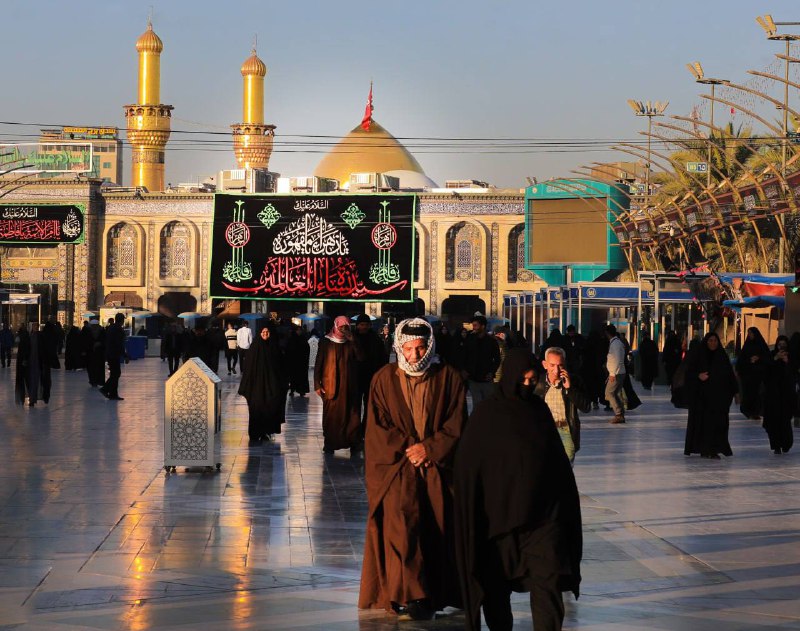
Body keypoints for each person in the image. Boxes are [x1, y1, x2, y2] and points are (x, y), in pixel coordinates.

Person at [454, 349, 582, 631]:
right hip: (498, 524)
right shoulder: (487, 415)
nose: (527, 386)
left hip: (542, 521)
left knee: (548, 584)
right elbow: (468, 465)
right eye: (522, 380)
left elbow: (557, 463)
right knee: (496, 591)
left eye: (532, 380)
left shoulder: (538, 411)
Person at [359, 318, 467, 621]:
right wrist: (411, 447)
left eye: (420, 349)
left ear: (430, 347)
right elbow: (377, 428)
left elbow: (457, 423)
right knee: (401, 531)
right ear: (399, 348)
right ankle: (410, 595)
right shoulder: (383, 379)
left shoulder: (449, 378)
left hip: (436, 468)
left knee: (436, 528)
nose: (415, 355)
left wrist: (430, 448)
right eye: (409, 349)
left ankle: (435, 592)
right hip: (398, 469)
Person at [684, 332, 738, 459]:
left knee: (719, 424)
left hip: (720, 399)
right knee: (704, 424)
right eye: (710, 341)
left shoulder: (722, 357)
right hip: (702, 399)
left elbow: (730, 375)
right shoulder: (699, 356)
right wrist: (698, 376)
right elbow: (688, 373)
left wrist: (736, 392)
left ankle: (715, 448)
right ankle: (705, 448)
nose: (713, 343)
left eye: (715, 341)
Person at [314, 316, 364, 453]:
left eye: (346, 327)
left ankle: (353, 443)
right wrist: (317, 384)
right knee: (331, 417)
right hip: (331, 385)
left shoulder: (351, 341)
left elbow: (360, 357)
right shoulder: (326, 341)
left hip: (349, 386)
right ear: (336, 326)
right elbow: (319, 362)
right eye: (341, 327)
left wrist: (352, 340)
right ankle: (330, 443)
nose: (343, 329)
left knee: (352, 416)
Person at [534, 346, 587, 465]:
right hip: (545, 432)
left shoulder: (574, 381)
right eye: (552, 365)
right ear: (545, 364)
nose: (556, 370)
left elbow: (585, 407)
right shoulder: (537, 383)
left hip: (566, 430)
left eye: (560, 365)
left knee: (564, 470)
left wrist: (570, 388)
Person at [238, 324, 287, 441]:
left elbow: (281, 366)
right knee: (257, 410)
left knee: (270, 408)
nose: (265, 334)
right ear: (259, 333)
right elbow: (248, 368)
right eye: (263, 332)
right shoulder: (254, 349)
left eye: (267, 332)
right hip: (257, 387)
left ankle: (266, 432)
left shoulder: (274, 348)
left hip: (271, 386)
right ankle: (255, 433)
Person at [354, 314, 389, 432]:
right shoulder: (352, 339)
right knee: (355, 405)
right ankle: (355, 429)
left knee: (370, 405)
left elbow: (383, 358)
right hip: (356, 377)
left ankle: (366, 428)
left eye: (366, 325)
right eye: (361, 325)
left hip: (371, 377)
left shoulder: (375, 339)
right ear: (357, 325)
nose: (363, 327)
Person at [763, 336, 794, 454]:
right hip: (773, 394)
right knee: (774, 420)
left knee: (785, 420)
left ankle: (786, 443)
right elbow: (766, 372)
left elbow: (792, 372)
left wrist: (787, 362)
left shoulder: (791, 356)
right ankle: (776, 445)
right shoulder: (772, 355)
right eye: (779, 344)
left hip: (786, 394)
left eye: (784, 344)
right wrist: (775, 359)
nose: (781, 346)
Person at [462, 315, 501, 406]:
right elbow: (464, 356)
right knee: (477, 403)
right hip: (473, 377)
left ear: (483, 326)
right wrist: (464, 369)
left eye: (475, 325)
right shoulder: (469, 340)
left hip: (486, 378)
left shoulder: (491, 341)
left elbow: (497, 359)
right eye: (473, 325)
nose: (473, 328)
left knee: (488, 404)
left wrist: (492, 372)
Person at [737, 326, 770, 420]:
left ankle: (756, 412)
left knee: (757, 394)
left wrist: (758, 358)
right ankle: (748, 411)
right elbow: (741, 360)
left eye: (751, 333)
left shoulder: (761, 345)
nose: (750, 335)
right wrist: (749, 361)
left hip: (759, 375)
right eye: (749, 333)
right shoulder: (747, 346)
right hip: (748, 375)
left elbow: (767, 357)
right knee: (748, 393)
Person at [101, 313, 127, 400]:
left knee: (114, 373)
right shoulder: (117, 329)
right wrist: (124, 354)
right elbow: (118, 343)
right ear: (122, 320)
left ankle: (112, 393)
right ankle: (105, 389)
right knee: (116, 373)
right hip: (114, 354)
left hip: (110, 353)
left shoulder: (111, 327)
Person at [15, 323, 41, 407]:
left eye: (36, 326)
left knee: (32, 381)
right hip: (29, 362)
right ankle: (29, 398)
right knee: (30, 381)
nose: (34, 328)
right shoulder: (29, 337)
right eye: (33, 326)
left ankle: (31, 398)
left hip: (33, 362)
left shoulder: (35, 337)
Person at [605, 325, 627, 424]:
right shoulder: (615, 343)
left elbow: (618, 359)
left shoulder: (616, 344)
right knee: (614, 393)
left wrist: (613, 374)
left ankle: (618, 414)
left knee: (609, 393)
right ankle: (620, 413)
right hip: (616, 372)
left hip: (617, 373)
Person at [286, 324, 310, 396]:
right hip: (294, 362)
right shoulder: (292, 339)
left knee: (301, 377)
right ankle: (293, 390)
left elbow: (307, 349)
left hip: (302, 361)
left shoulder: (303, 338)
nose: (299, 332)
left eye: (300, 330)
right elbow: (289, 350)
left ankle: (301, 390)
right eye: (298, 330)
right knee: (293, 376)